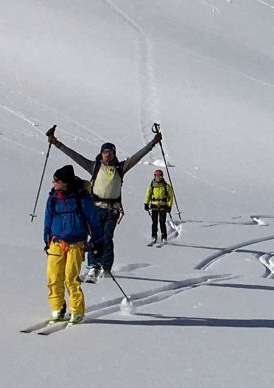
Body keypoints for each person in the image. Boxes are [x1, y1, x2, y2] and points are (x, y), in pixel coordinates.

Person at [48, 126, 160, 281]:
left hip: (112, 210)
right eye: (105, 152)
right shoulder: (94, 167)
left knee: (107, 238)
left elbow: (137, 157)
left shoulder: (120, 168)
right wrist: (57, 143)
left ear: (114, 155)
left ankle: (105, 268)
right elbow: (75, 156)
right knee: (95, 237)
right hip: (95, 209)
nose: (108, 155)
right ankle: (93, 266)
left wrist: (153, 143)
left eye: (111, 152)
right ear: (101, 154)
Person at [43, 164, 103, 324]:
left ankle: (77, 311)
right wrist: (46, 239)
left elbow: (93, 220)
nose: (53, 183)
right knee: (53, 276)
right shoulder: (53, 197)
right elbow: (48, 219)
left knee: (71, 278)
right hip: (56, 242)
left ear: (66, 183)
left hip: (76, 244)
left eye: (57, 180)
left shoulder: (81, 198)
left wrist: (97, 241)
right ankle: (57, 307)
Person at [145, 168, 175, 245]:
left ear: (162, 176)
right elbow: (148, 194)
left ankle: (164, 237)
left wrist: (169, 206)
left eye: (159, 176)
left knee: (162, 222)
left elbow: (171, 197)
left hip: (163, 206)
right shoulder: (152, 185)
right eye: (156, 176)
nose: (158, 177)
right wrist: (146, 203)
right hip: (154, 205)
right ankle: (154, 236)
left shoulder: (166, 186)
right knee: (154, 222)